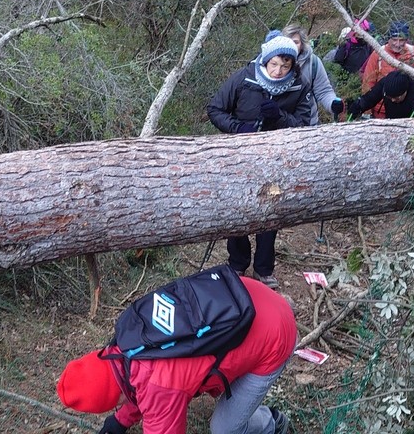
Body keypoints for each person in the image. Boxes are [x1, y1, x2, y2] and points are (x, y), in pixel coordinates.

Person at [56, 275, 297, 434]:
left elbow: (152, 390)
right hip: (245, 293)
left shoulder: (159, 387)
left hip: (275, 334)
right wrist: (120, 421)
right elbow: (137, 383)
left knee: (224, 428)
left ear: (114, 397)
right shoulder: (126, 336)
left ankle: (271, 424)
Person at [206, 35, 312, 289]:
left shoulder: (299, 86)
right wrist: (237, 127)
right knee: (238, 210)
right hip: (239, 158)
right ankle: (238, 264)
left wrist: (280, 117)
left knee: (270, 210)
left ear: (293, 65)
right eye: (274, 64)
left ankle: (264, 268)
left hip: (275, 161)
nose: (278, 71)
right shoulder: (244, 78)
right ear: (265, 60)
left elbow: (304, 125)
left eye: (285, 66)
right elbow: (215, 109)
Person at [359, 20, 414, 118]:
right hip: (381, 112)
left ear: (406, 40)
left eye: (401, 40)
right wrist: (367, 111)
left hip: (407, 110)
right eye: (394, 39)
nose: (398, 44)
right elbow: (368, 82)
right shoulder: (378, 54)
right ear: (389, 38)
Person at [279, 24, 343, 125]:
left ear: (302, 44)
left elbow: (323, 91)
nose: (291, 45)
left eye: (295, 42)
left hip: (308, 124)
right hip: (278, 123)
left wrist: (332, 104)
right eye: (288, 41)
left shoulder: (313, 62)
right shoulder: (273, 63)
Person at [346, 70, 414, 120]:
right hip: (390, 124)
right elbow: (370, 99)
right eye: (389, 97)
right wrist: (359, 105)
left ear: (406, 91)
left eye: (397, 98)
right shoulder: (385, 84)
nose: (393, 100)